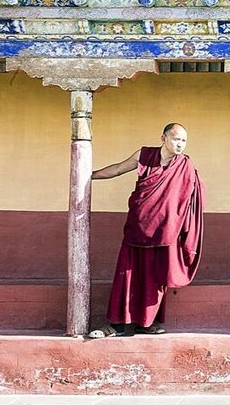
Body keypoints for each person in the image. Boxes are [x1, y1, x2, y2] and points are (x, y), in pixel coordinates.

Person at [87, 123, 204, 338]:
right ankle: (116, 324)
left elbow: (190, 197)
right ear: (163, 138)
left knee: (155, 278)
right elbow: (119, 168)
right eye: (176, 139)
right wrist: (89, 175)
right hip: (139, 226)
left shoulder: (185, 165)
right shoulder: (144, 155)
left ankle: (146, 323)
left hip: (166, 230)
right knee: (127, 274)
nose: (180, 144)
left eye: (184, 141)